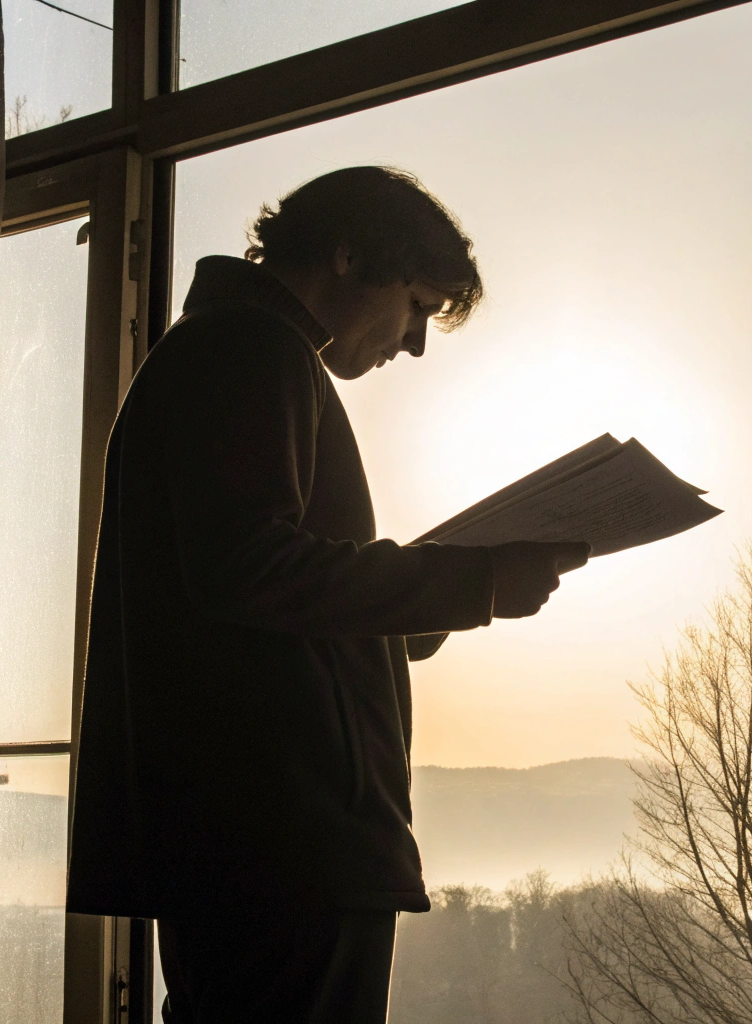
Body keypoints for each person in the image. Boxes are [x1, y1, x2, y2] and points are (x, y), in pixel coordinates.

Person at [66, 166, 589, 1023]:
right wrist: (475, 579)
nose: (416, 343)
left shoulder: (228, 349)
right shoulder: (252, 349)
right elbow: (249, 568)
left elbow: (255, 599)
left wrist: (427, 610)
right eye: (418, 305)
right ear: (349, 257)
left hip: (250, 840)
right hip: (289, 839)